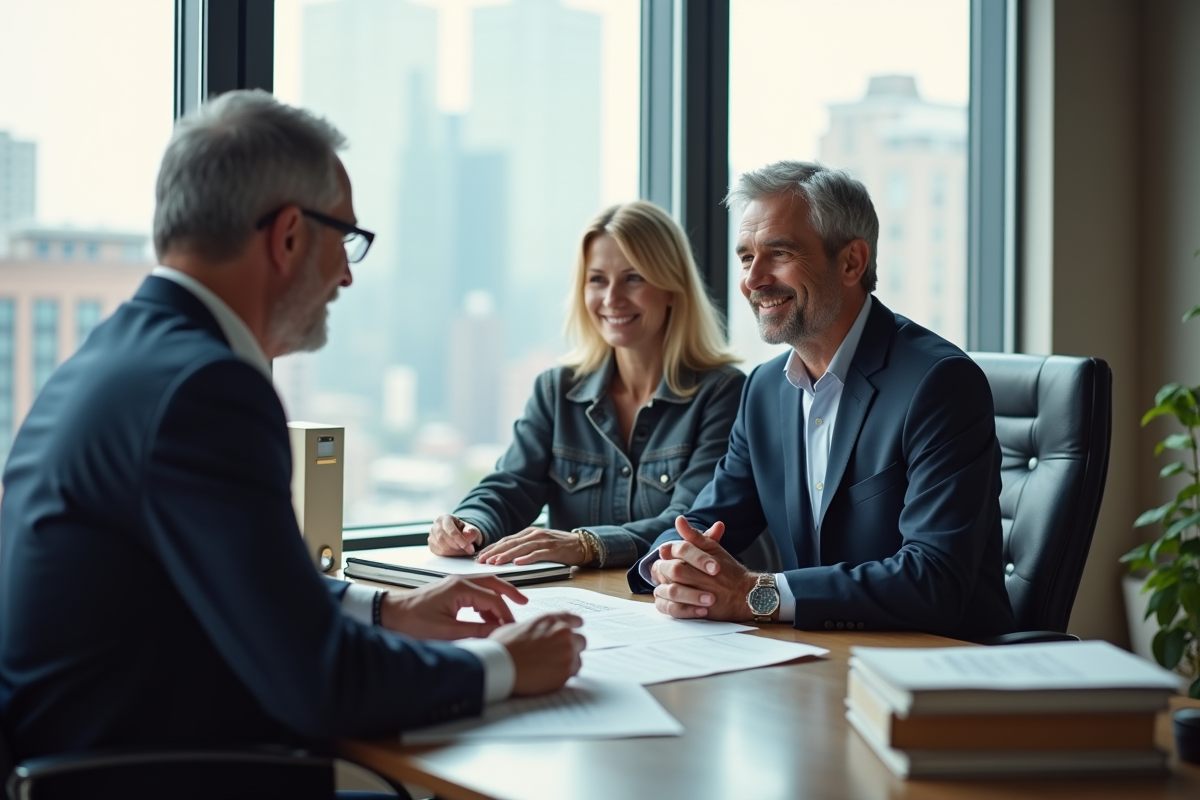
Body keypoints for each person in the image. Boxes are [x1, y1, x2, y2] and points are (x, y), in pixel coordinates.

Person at [0, 90, 584, 770]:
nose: (345, 274)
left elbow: (234, 587)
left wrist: (386, 609)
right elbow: (322, 683)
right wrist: (505, 665)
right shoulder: (206, 389)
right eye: (346, 240)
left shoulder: (117, 356)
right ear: (286, 236)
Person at [629, 161, 1016, 641]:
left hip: (936, 668)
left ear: (852, 261)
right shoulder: (764, 390)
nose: (753, 280)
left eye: (779, 253)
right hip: (817, 657)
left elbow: (934, 579)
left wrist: (756, 592)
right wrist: (672, 565)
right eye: (746, 257)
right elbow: (704, 522)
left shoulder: (940, 384)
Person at [429, 201, 744, 569]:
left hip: (681, 609)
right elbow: (511, 487)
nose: (612, 299)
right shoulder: (556, 390)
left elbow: (691, 523)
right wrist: (468, 525)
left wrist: (587, 545)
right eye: (597, 279)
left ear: (672, 287)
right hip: (582, 607)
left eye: (633, 277)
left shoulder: (724, 394)